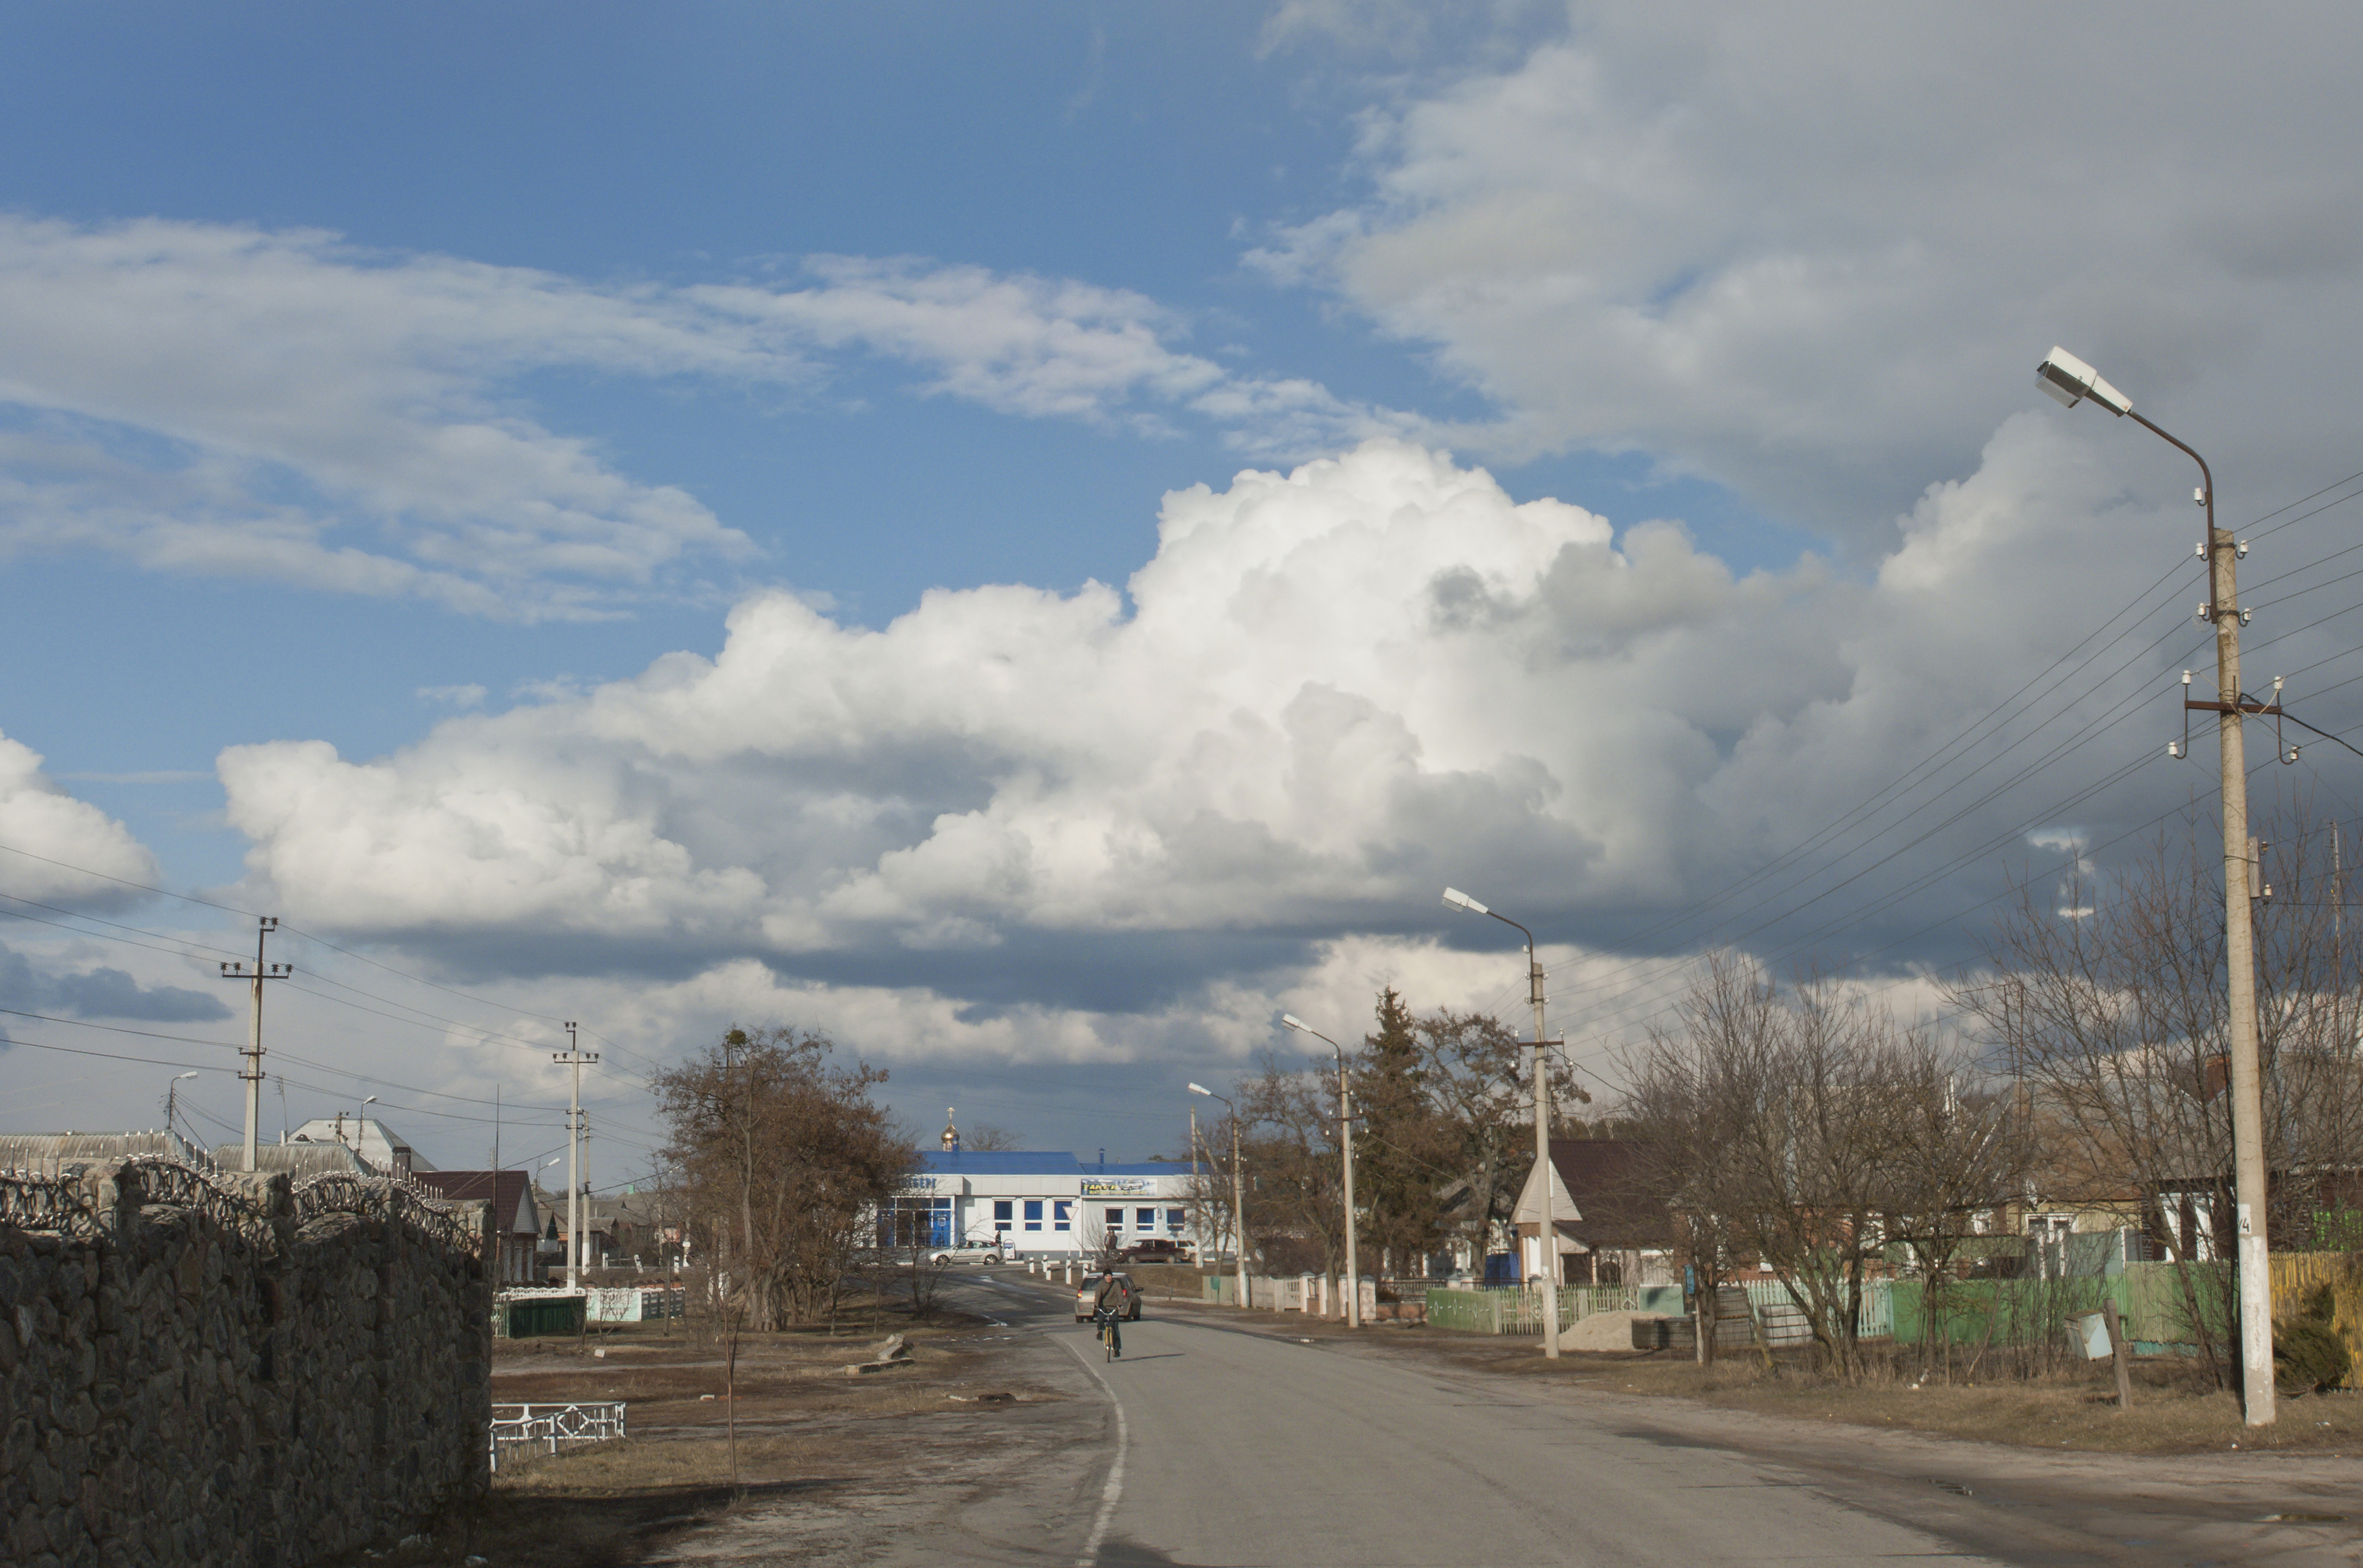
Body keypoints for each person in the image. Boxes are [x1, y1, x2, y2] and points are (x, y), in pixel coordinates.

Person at [1092, 1270, 1132, 1357]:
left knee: (1115, 1328)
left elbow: (1120, 1295)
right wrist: (1096, 1305)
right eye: (1107, 1276)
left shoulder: (1116, 1284)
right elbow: (1098, 1295)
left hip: (1114, 1307)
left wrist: (1120, 1304)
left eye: (1110, 1276)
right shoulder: (1101, 1285)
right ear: (1104, 1277)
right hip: (1104, 1306)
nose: (1109, 1278)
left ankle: (1117, 1349)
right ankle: (1100, 1331)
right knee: (1100, 1319)